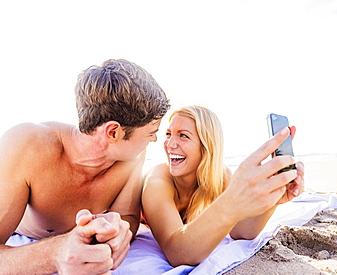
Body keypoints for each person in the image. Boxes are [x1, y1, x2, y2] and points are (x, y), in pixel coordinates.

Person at [0, 59, 170, 274]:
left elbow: (127, 216)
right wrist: (55, 253)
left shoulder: (132, 157)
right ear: (113, 132)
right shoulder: (26, 146)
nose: (155, 139)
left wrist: (115, 232)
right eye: (151, 132)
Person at [142, 105, 304, 267]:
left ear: (207, 144)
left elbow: (241, 231)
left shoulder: (220, 175)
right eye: (168, 134)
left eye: (183, 135)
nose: (170, 144)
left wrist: (274, 195)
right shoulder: (157, 180)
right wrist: (230, 201)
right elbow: (178, 253)